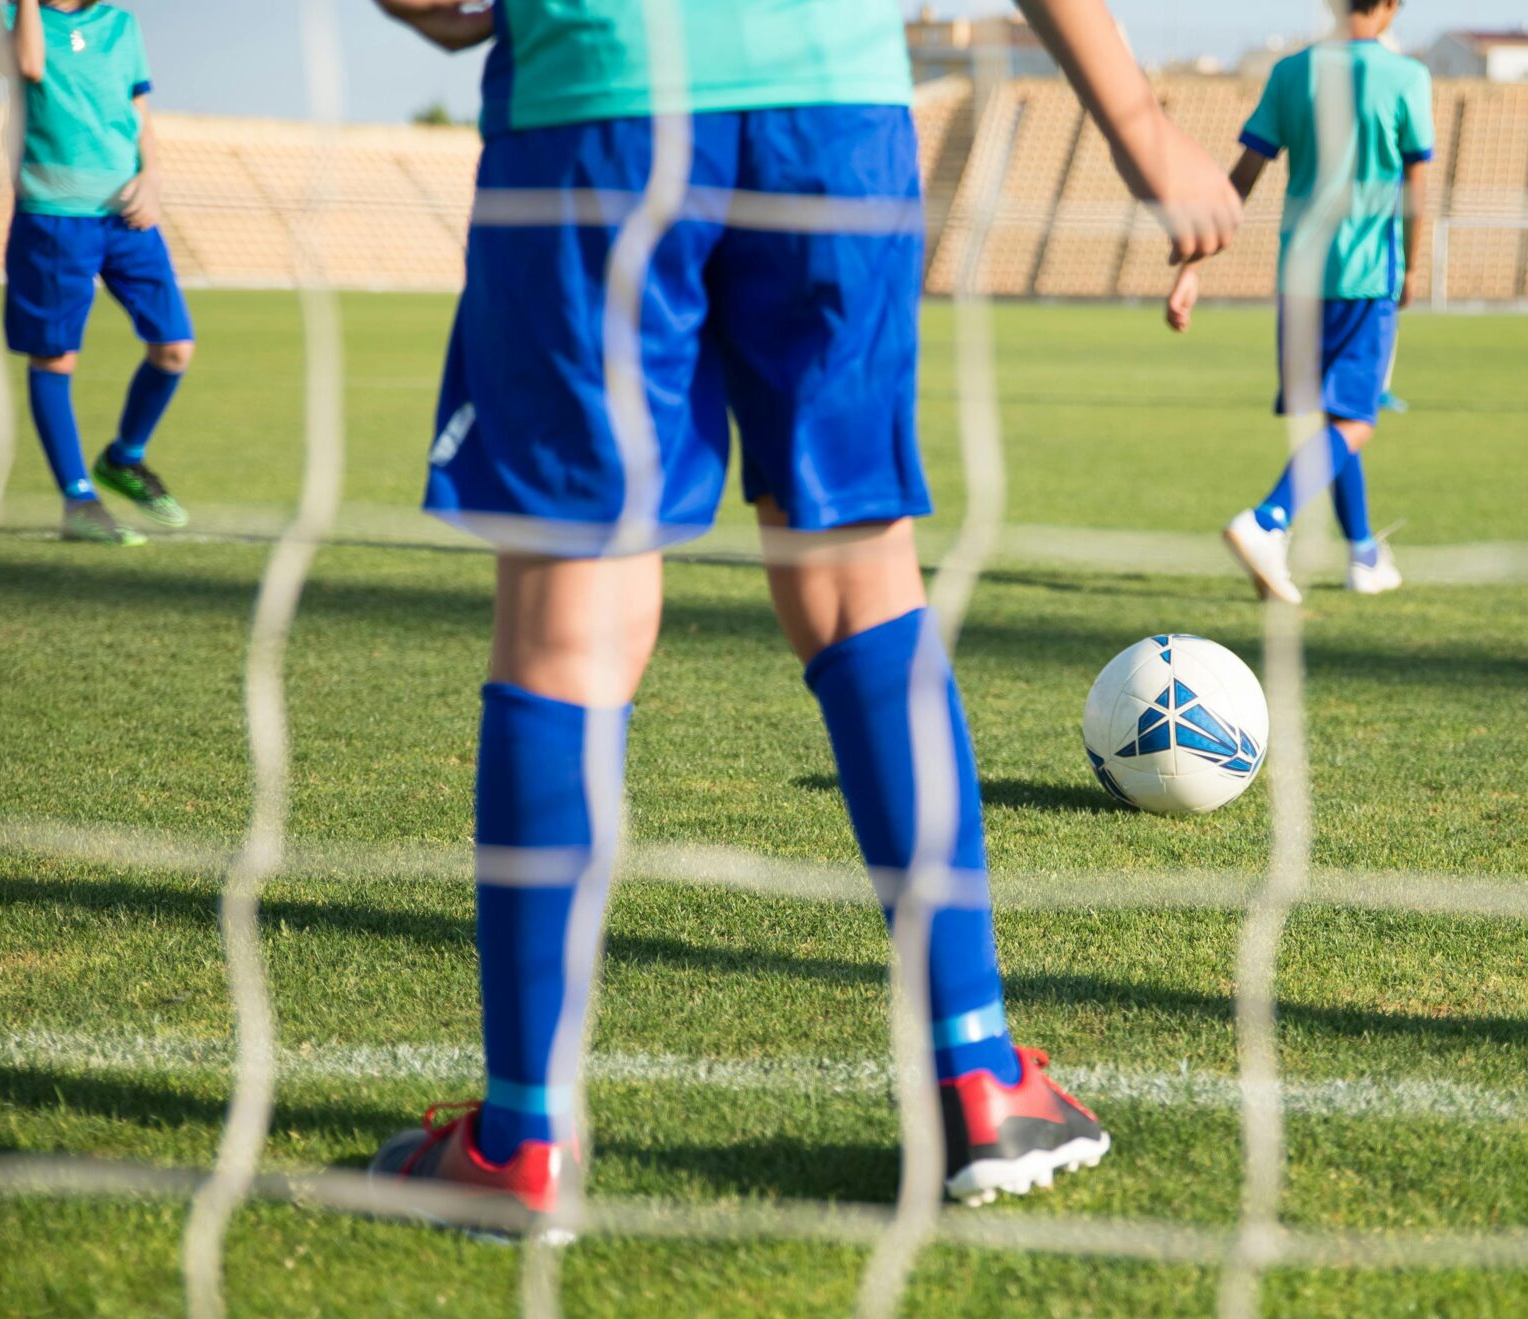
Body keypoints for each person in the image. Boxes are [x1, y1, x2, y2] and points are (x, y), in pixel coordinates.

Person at [367, 0, 1241, 1222]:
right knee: (860, 585)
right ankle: (980, 1080)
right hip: (829, 109)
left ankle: (524, 1138)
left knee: (573, 622)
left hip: (598, 102)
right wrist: (1139, 125)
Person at [1165, 0, 1431, 603]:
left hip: (1300, 277)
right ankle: (1267, 520)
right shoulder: (1406, 77)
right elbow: (1417, 186)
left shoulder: (1291, 73)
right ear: (1390, 7)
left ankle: (1363, 553)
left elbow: (1241, 179)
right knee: (1356, 422)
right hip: (1366, 276)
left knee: (1330, 420)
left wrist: (1193, 265)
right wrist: (1414, 265)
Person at [0, 0, 196, 545]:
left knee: (175, 347)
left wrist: (153, 177)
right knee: (56, 358)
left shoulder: (120, 24)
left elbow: (139, 112)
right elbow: (28, 66)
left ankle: (124, 458)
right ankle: (78, 500)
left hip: (127, 212)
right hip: (54, 217)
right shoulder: (1, 14)